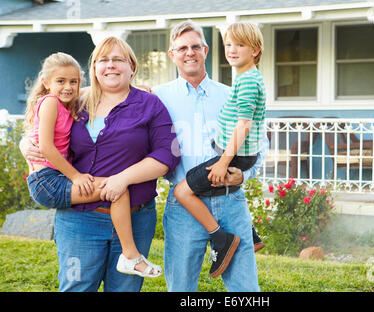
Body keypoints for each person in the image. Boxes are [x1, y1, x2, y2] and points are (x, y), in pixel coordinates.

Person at [20, 37, 180, 292]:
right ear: (94, 68)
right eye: (102, 60)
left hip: (135, 217)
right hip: (79, 219)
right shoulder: (76, 102)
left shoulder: (150, 104)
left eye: (118, 59)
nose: (110, 65)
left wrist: (122, 179)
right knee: (76, 287)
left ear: (132, 67)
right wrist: (24, 142)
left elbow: (168, 154)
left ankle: (131, 256)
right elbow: (44, 129)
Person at [152, 20, 267, 292]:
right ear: (172, 55)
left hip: (231, 200)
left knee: (245, 289)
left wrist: (245, 173)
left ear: (205, 50)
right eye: (182, 48)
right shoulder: (158, 98)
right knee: (180, 288)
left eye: (195, 46)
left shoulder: (232, 92)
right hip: (183, 209)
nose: (189, 52)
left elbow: (260, 141)